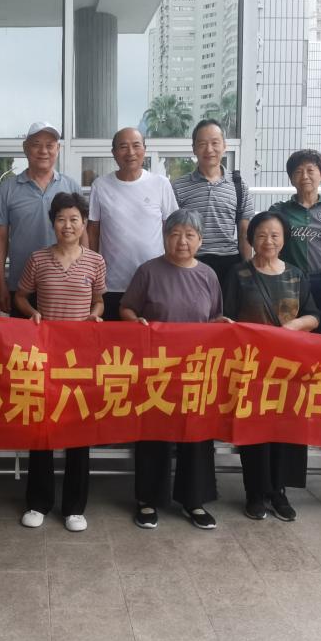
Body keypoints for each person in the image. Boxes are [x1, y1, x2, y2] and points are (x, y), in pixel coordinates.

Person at [120, 209, 223, 530]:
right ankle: (148, 500)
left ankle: (194, 501)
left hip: (195, 369)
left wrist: (223, 325)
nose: (182, 241)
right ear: (165, 237)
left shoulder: (208, 275)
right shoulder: (148, 271)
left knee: (196, 434)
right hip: (156, 370)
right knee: (154, 433)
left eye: (190, 235)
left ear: (200, 240)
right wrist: (136, 322)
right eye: (175, 234)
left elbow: (214, 317)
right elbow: (126, 308)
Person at [14, 193, 106, 532]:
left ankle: (74, 507)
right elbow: (20, 296)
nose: (68, 225)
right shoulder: (38, 259)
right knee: (42, 428)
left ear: (83, 224)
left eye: (74, 219)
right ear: (52, 223)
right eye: (61, 219)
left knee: (78, 428)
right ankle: (38, 502)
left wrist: (95, 315)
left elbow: (99, 300)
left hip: (80, 357)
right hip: (45, 355)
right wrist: (33, 313)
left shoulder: (95, 261)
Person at [222, 211, 320, 522]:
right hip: (250, 367)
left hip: (288, 367)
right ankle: (255, 493)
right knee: (254, 430)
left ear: (284, 239)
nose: (268, 241)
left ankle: (279, 492)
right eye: (262, 234)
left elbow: (314, 316)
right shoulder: (238, 274)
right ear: (251, 238)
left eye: (275, 235)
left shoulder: (296, 275)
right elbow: (227, 317)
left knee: (285, 428)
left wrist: (295, 326)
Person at [0, 121, 82, 317]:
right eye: (36, 144)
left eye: (50, 145)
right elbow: (0, 239)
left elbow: (82, 235)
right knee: (23, 338)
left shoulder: (71, 186)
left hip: (65, 287)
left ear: (58, 149)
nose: (43, 151)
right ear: (25, 148)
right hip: (20, 288)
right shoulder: (7, 189)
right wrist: (0, 283)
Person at [87, 127, 178, 320]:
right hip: (111, 284)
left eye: (136, 145)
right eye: (123, 147)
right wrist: (93, 272)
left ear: (144, 149)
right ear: (113, 152)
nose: (130, 152)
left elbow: (172, 231)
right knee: (113, 338)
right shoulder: (100, 186)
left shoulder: (161, 184)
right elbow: (93, 231)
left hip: (154, 282)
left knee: (152, 337)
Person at [269, 149, 321, 333]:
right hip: (289, 281)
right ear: (291, 179)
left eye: (310, 170)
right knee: (289, 333)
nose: (305, 176)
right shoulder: (278, 211)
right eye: (298, 172)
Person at [171, 119, 254, 285]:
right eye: (202, 144)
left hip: (229, 263)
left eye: (215, 143)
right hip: (191, 261)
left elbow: (244, 232)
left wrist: (248, 271)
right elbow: (171, 231)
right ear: (194, 148)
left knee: (227, 303)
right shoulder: (178, 187)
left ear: (224, 146)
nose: (209, 149)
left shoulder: (238, 185)